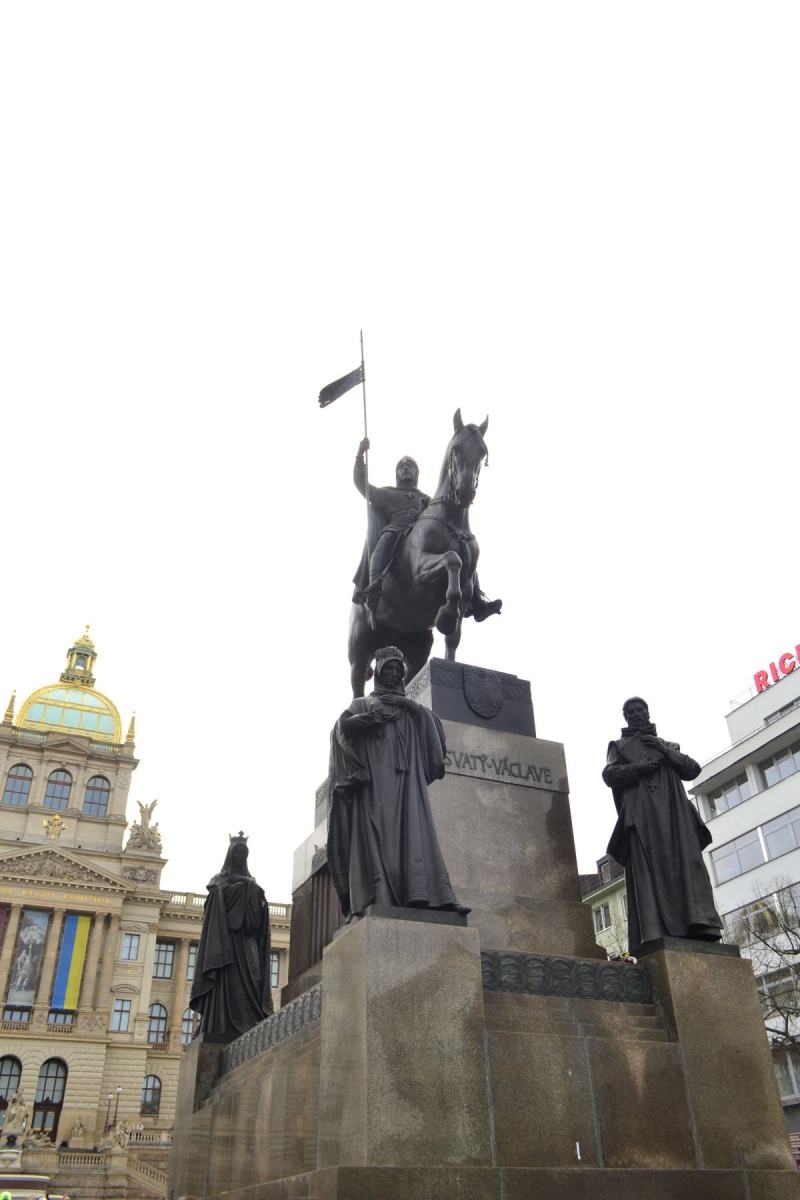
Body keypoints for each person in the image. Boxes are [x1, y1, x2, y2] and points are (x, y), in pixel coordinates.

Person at [327, 644, 469, 919]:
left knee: (416, 834)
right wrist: (366, 720)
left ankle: (427, 896)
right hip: (376, 785)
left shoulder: (412, 709)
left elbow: (434, 740)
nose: (393, 674)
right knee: (378, 837)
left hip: (408, 784)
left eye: (397, 670)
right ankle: (380, 895)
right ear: (379, 673)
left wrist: (411, 707)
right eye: (388, 669)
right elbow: (341, 729)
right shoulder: (363, 703)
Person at [602, 696, 722, 955]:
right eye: (631, 711)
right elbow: (609, 775)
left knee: (687, 865)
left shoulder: (667, 745)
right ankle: (656, 931)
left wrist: (664, 751)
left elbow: (692, 770)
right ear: (626, 717)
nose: (637, 714)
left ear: (648, 712)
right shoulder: (619, 746)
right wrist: (638, 768)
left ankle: (699, 924)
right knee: (649, 870)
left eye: (640, 710)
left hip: (675, 815)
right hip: (643, 816)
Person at [189, 835, 273, 1038]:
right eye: (237, 853)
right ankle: (219, 1023)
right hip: (226, 941)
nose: (240, 857)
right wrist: (236, 889)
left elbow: (258, 917)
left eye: (243, 854)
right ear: (230, 855)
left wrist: (251, 891)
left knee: (253, 978)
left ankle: (251, 1020)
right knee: (227, 981)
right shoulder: (218, 881)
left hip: (247, 940)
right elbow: (214, 906)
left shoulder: (252, 883)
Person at [352, 438, 430, 612]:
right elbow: (361, 484)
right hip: (395, 530)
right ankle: (374, 584)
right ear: (397, 474)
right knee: (386, 539)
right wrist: (360, 455)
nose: (405, 468)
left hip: (421, 535)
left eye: (410, 466)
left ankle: (473, 597)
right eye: (401, 467)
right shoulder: (387, 493)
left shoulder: (426, 498)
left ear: (416, 473)